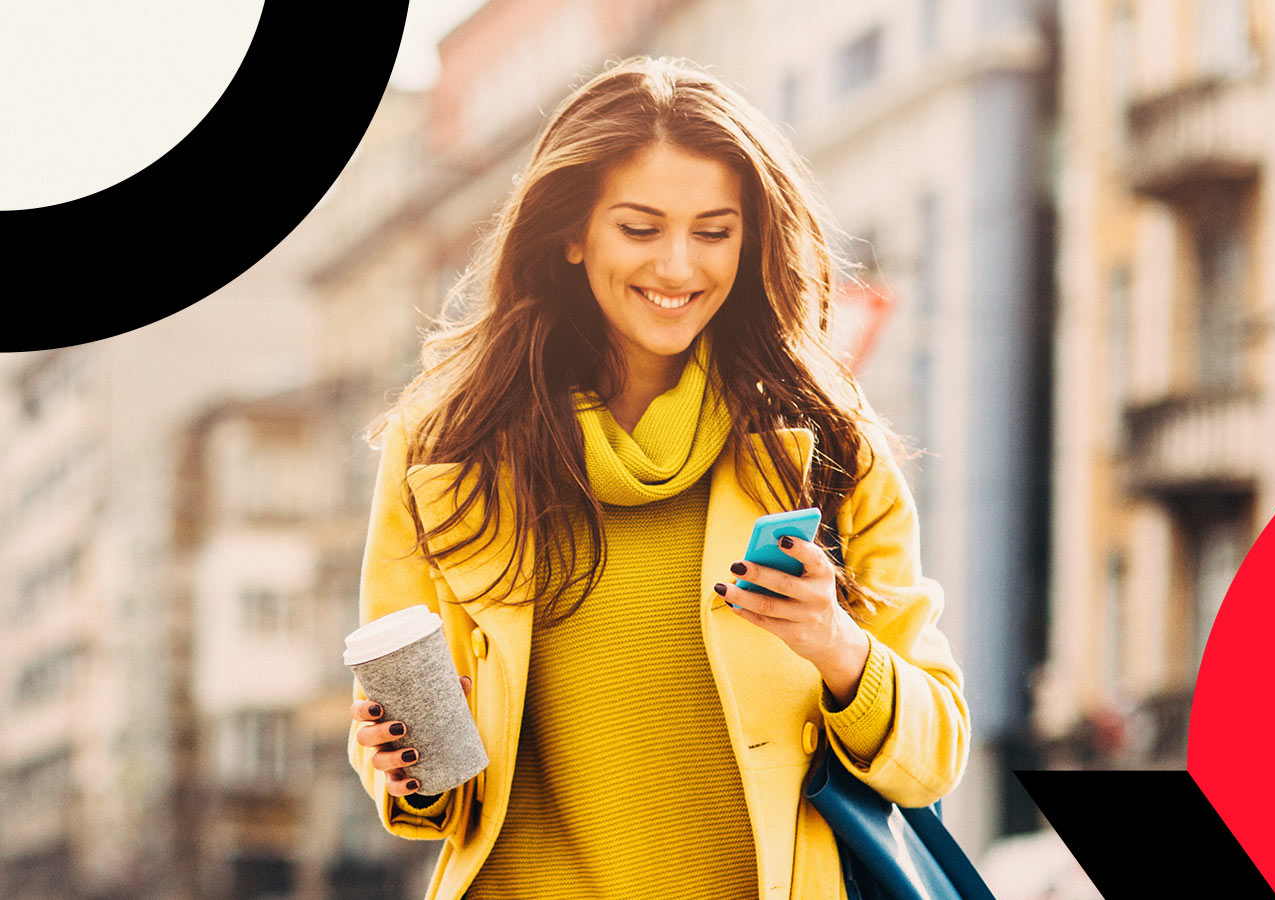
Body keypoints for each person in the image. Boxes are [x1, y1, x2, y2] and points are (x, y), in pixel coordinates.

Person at [347, 56, 970, 900]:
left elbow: (933, 756)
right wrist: (403, 760)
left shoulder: (826, 447)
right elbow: (438, 792)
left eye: (714, 232)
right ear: (571, 233)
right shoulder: (449, 447)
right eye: (640, 229)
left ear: (750, 242)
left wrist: (839, 647)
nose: (678, 268)